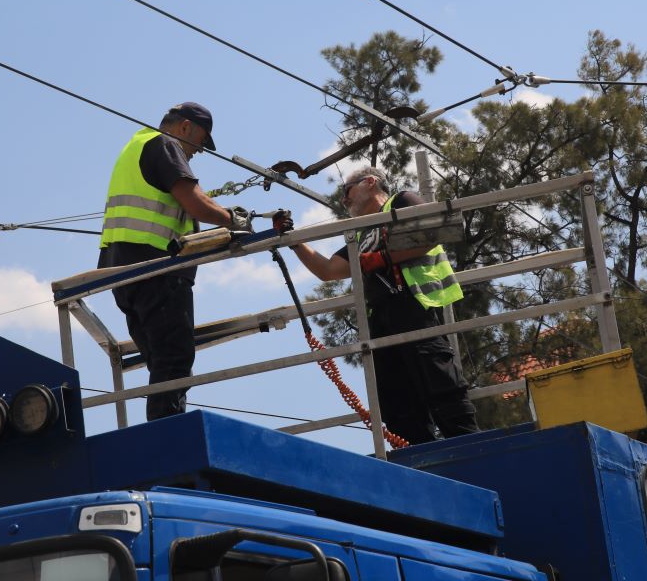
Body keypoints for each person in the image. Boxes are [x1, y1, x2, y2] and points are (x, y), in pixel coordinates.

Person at [287, 165, 478, 444]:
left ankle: (469, 445)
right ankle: (419, 454)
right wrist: (293, 240)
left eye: (346, 190)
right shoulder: (362, 235)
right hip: (383, 317)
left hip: (415, 306)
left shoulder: (401, 201)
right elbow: (328, 270)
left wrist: (383, 258)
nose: (344, 200)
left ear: (370, 182)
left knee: (439, 383)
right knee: (395, 399)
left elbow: (432, 232)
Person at [98, 103, 266, 421]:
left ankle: (161, 431)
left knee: (160, 359)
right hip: (157, 271)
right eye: (201, 141)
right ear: (184, 127)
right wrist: (234, 220)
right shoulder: (165, 144)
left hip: (123, 274)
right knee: (174, 356)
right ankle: (168, 434)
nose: (200, 150)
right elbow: (195, 202)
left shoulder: (136, 145)